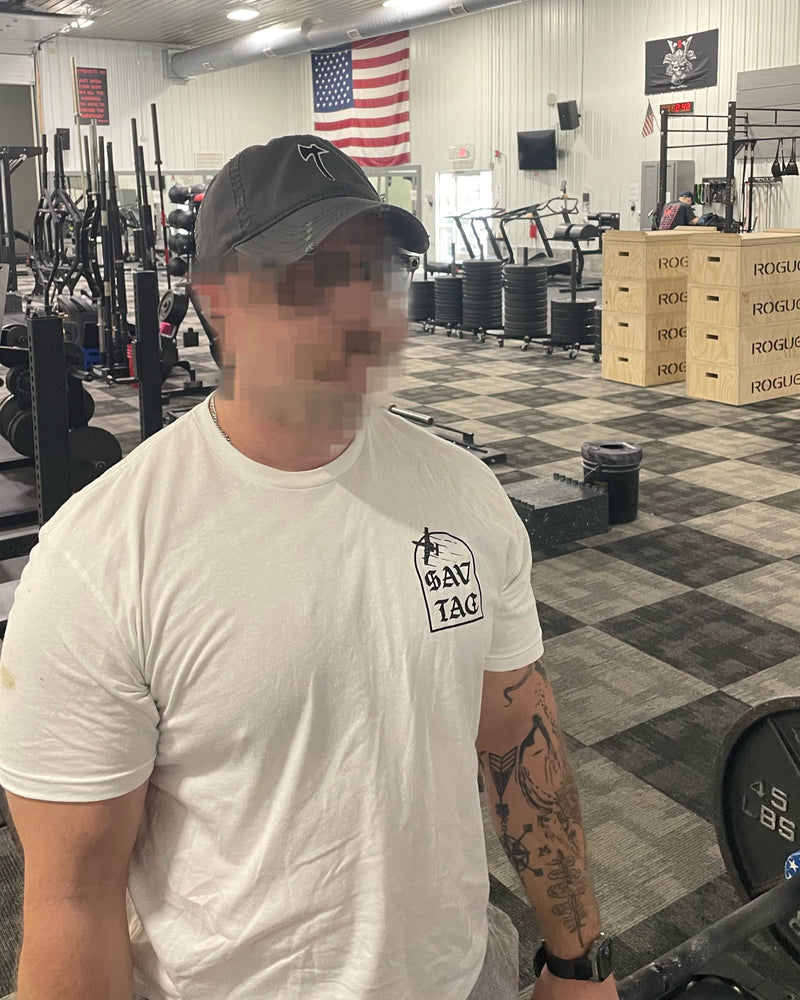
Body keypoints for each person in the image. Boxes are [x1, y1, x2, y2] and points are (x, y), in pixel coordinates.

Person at [0, 135, 620, 1000]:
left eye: (376, 272)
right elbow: (73, 898)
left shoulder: (466, 494)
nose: (358, 310)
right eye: (312, 278)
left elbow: (516, 733)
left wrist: (577, 958)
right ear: (218, 300)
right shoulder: (100, 559)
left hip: (460, 976)